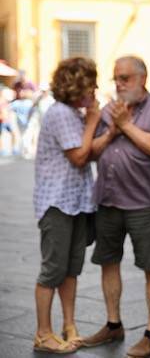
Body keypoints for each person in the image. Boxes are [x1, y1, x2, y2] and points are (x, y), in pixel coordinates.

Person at [83, 56, 150, 358]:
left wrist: (125, 125)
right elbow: (91, 152)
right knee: (108, 262)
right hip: (108, 199)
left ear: (142, 78)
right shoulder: (109, 111)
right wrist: (112, 131)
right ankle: (113, 324)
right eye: (116, 78)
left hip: (144, 203)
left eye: (125, 78)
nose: (119, 84)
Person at [32, 57, 100, 354]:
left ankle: (69, 325)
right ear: (77, 85)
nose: (95, 89)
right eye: (91, 83)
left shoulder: (73, 113)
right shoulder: (61, 113)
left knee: (71, 270)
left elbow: (88, 150)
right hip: (58, 203)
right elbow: (79, 156)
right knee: (53, 271)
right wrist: (94, 121)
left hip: (75, 202)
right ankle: (43, 333)